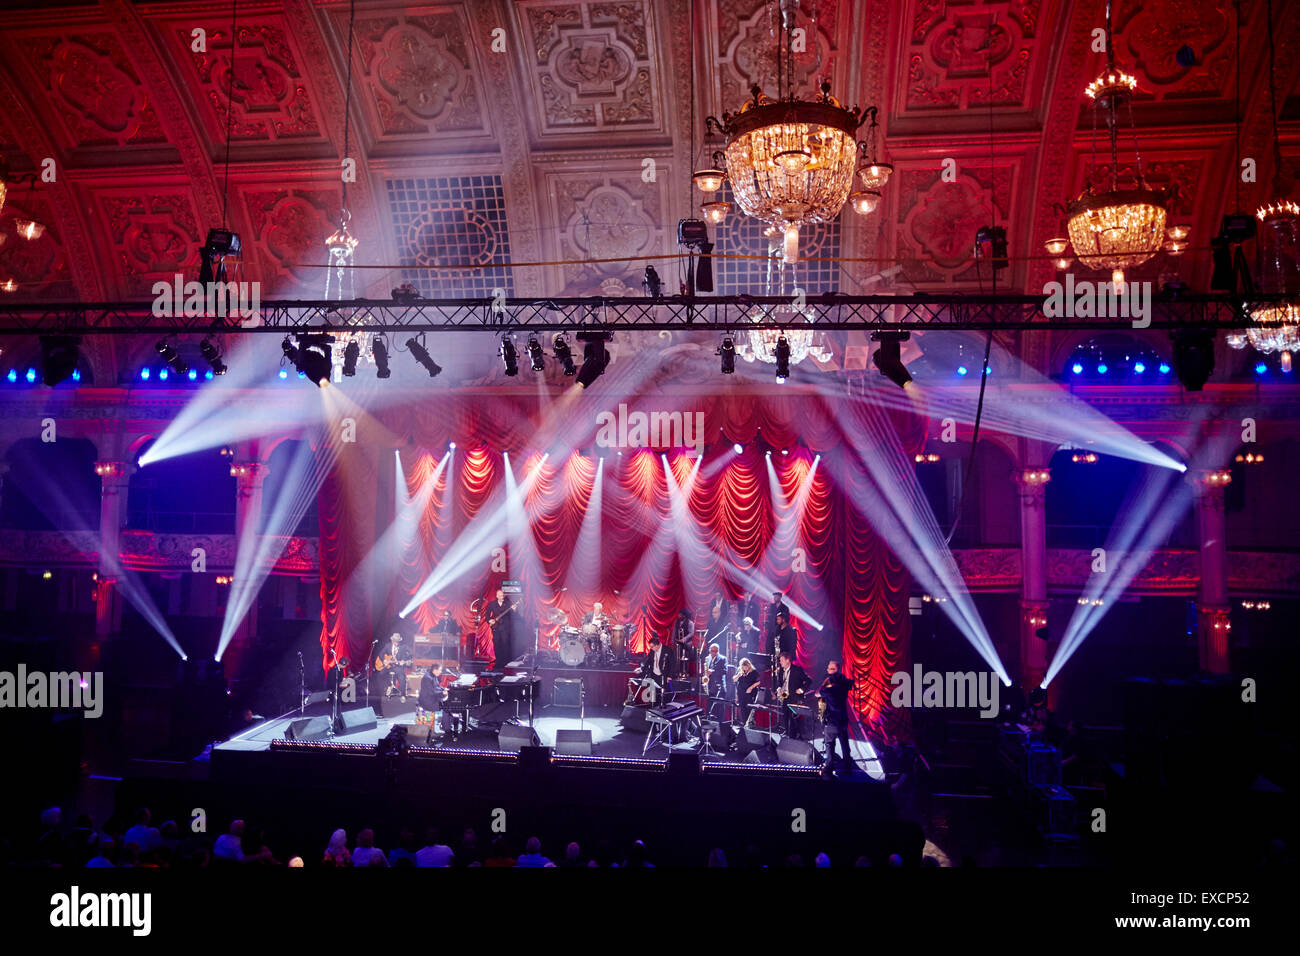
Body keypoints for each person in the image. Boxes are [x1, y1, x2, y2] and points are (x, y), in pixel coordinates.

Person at [817, 660, 856, 776]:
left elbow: (818, 693)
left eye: (829, 669)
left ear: (834, 670)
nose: (827, 671)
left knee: (829, 744)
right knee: (845, 744)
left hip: (832, 720)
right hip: (842, 719)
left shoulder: (829, 690)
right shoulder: (844, 685)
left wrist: (826, 682)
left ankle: (829, 768)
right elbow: (850, 683)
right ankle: (848, 768)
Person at [774, 652, 810, 738]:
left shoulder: (797, 670)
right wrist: (779, 688)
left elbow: (808, 680)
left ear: (788, 660)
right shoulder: (781, 671)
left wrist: (802, 689)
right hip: (784, 696)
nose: (780, 662)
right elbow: (779, 682)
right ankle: (787, 733)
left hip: (794, 697)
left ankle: (794, 736)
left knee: (793, 718)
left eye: (782, 660)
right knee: (785, 716)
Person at [417, 662, 451, 738]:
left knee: (448, 705)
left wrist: (444, 689)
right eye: (440, 670)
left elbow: (437, 687)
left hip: (432, 698)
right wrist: (443, 693)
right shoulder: (427, 678)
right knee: (447, 706)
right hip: (428, 701)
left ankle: (445, 726)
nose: (440, 672)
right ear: (434, 670)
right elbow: (432, 692)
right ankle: (446, 728)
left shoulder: (432, 675)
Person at [486, 588, 514, 667]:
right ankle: (498, 662)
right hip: (496, 628)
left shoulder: (508, 603)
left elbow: (513, 615)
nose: (502, 597)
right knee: (497, 644)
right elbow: (487, 615)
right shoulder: (492, 604)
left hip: (505, 628)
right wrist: (489, 620)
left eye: (503, 595)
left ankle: (505, 663)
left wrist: (514, 610)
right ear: (497, 596)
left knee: (505, 645)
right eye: (500, 596)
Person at [381, 633, 412, 700]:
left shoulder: (403, 647)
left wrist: (404, 661)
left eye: (398, 642)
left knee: (402, 678)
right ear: (392, 641)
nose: (397, 643)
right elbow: (381, 654)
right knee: (381, 674)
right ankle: (388, 690)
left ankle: (403, 695)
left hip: (398, 667)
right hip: (388, 667)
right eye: (395, 642)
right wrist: (384, 660)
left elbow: (409, 656)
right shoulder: (387, 646)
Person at [702, 643, 729, 720]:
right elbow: (706, 670)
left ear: (717, 651)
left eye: (713, 651)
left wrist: (713, 671)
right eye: (710, 651)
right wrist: (705, 676)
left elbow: (725, 671)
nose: (712, 653)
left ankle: (721, 725)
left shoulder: (723, 658)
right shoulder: (708, 658)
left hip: (719, 687)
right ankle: (708, 721)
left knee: (720, 708)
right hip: (710, 686)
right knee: (708, 706)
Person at [734, 657, 762, 728]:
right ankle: (744, 724)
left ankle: (750, 724)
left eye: (745, 667)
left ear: (748, 665)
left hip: (750, 693)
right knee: (742, 708)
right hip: (741, 693)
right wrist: (738, 675)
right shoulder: (740, 671)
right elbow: (734, 680)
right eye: (743, 667)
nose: (744, 668)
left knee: (749, 709)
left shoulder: (754, 672)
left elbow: (758, 682)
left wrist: (751, 687)